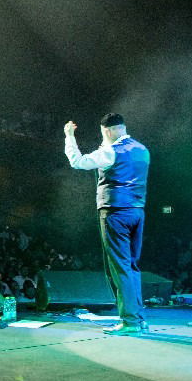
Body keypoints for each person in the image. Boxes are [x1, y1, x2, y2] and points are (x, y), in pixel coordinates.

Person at [64, 113, 150, 335]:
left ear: (109, 131)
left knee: (120, 267)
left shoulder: (110, 151)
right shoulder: (142, 149)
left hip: (115, 213)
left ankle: (130, 322)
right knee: (132, 266)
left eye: (104, 134)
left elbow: (78, 162)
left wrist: (69, 136)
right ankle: (139, 318)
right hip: (137, 211)